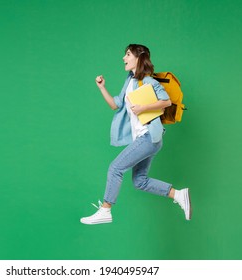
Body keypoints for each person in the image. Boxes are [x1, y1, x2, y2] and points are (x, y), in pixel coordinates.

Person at [80, 44, 192, 225]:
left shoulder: (148, 81)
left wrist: (144, 108)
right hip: (146, 139)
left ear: (139, 57)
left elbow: (166, 101)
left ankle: (106, 210)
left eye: (127, 54)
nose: (124, 58)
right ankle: (178, 194)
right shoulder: (130, 81)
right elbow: (115, 104)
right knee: (139, 181)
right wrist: (102, 88)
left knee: (116, 168)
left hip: (149, 136)